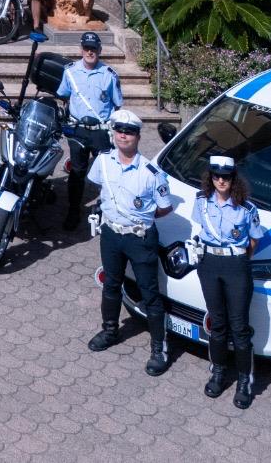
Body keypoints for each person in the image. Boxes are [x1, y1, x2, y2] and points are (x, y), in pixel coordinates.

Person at [86, 108, 174, 376]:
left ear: (138, 137)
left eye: (130, 132)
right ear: (113, 133)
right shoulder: (102, 162)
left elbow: (164, 208)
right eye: (120, 131)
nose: (124, 136)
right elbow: (98, 188)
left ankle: (159, 348)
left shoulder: (151, 172)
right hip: (111, 234)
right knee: (111, 284)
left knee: (150, 293)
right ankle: (110, 330)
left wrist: (141, 220)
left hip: (140, 237)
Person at [193, 155, 262, 409]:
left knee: (239, 327)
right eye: (216, 176)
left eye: (226, 177)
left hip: (235, 266)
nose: (221, 181)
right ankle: (219, 371)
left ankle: (244, 380)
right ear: (210, 177)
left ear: (234, 179)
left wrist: (238, 260)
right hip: (210, 264)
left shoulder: (246, 208)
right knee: (218, 322)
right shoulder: (201, 202)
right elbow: (200, 229)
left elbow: (253, 241)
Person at [57, 30, 123, 230]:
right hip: (78, 130)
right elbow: (63, 94)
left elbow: (117, 104)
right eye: (86, 48)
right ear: (81, 49)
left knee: (106, 173)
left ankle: (107, 211)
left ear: (99, 50)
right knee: (77, 172)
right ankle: (73, 211)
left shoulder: (109, 75)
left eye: (93, 48)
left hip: (101, 131)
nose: (90, 52)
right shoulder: (70, 72)